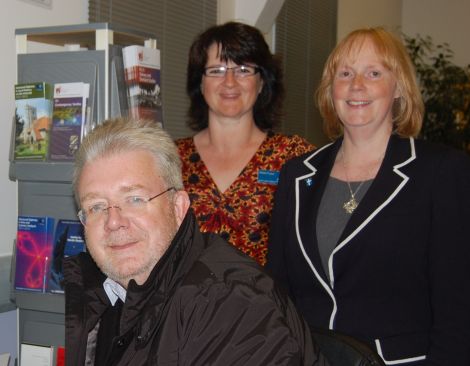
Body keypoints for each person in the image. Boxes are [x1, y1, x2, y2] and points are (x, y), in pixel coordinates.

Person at [266, 27, 470, 365]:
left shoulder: (441, 173)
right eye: (344, 73)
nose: (356, 85)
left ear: (399, 88)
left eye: (373, 73)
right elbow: (279, 295)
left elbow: (458, 310)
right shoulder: (296, 174)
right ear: (330, 89)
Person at [63, 117, 327, 366]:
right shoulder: (101, 297)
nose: (113, 221)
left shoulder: (231, 303)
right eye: (96, 206)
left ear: (178, 207)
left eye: (134, 199)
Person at [176, 22, 314, 266]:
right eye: (216, 70)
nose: (229, 82)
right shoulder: (171, 158)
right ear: (200, 83)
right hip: (186, 302)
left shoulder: (293, 156)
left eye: (242, 69)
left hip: (267, 301)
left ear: (261, 82)